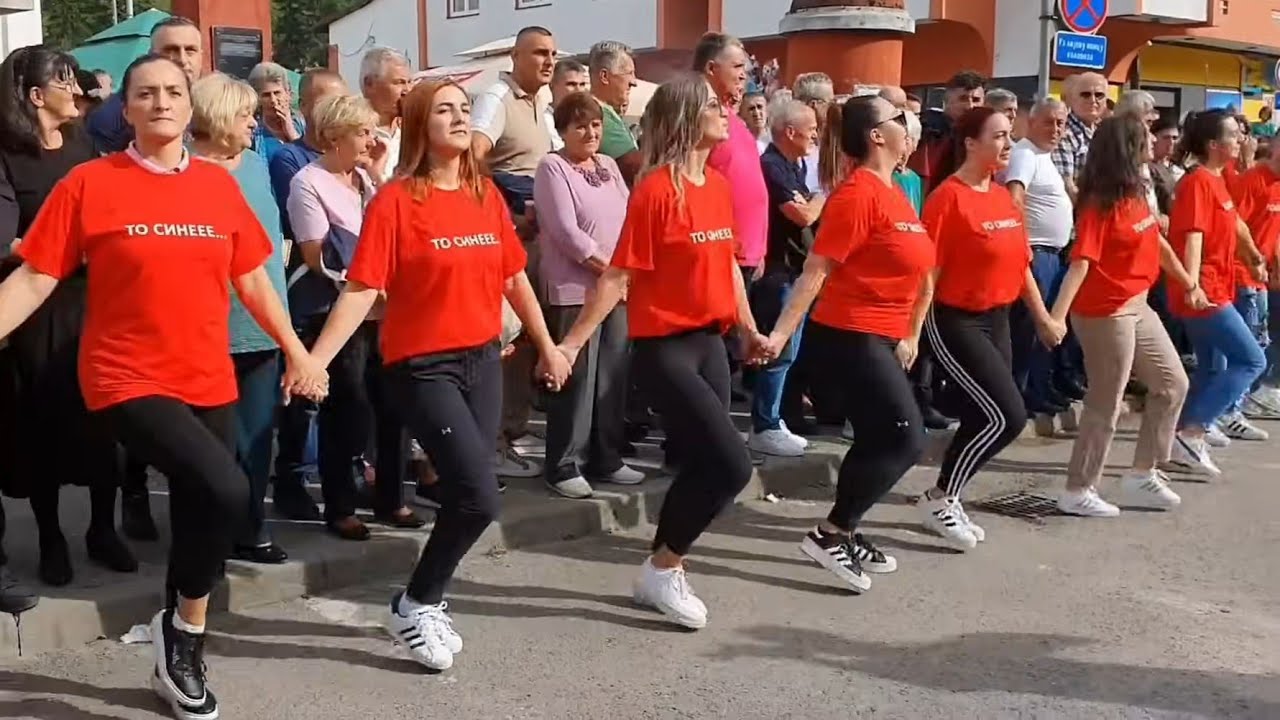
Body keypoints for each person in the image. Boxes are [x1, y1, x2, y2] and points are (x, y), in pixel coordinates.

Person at [0, 53, 326, 720]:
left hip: (206, 372)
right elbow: (35, 277)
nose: (159, 102)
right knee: (229, 488)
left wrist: (298, 349)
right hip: (123, 373)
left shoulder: (215, 186)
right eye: (144, 93)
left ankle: (183, 633)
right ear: (126, 108)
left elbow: (254, 279)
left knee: (208, 505)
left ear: (188, 104)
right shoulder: (90, 184)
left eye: (172, 91)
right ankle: (181, 631)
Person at [307, 79, 569, 670]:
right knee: (478, 496)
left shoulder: (484, 194)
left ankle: (424, 598)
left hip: (482, 359)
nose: (458, 118)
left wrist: (548, 345)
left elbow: (514, 278)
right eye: (444, 110)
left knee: (472, 495)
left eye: (462, 109)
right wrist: (314, 360)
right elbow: (362, 288)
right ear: (420, 125)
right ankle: (415, 603)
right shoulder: (396, 200)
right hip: (422, 367)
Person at [556, 74, 763, 629]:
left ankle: (664, 569)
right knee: (731, 463)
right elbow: (618, 276)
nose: (725, 112)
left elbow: (727, 268)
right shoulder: (654, 191)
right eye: (713, 106)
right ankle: (663, 566)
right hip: (663, 349)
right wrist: (572, 343)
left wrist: (749, 328)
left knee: (705, 466)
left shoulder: (716, 187)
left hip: (710, 343)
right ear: (685, 118)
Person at [764, 95, 933, 591]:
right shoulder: (856, 194)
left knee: (880, 436)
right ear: (877, 135)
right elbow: (816, 270)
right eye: (899, 118)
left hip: (883, 335)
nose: (909, 125)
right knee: (906, 437)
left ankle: (845, 527)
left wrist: (910, 332)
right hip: (849, 334)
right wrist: (780, 334)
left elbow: (920, 270)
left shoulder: (894, 191)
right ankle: (830, 532)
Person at [0, 46, 131, 604]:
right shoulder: (7, 156)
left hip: (95, 303)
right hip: (38, 309)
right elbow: (4, 241)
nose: (76, 91)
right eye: (65, 82)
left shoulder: (82, 147)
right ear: (35, 96)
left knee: (105, 423)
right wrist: (56, 250)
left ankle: (104, 528)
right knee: (44, 424)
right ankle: (52, 537)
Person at [919, 106, 1065, 550]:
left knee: (990, 414)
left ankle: (948, 493)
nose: (1007, 145)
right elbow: (928, 273)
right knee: (1008, 414)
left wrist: (1042, 317)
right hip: (955, 319)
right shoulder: (948, 197)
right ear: (970, 143)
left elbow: (1020, 264)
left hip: (998, 317)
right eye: (999, 136)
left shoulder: (1002, 196)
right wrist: (911, 332)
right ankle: (939, 496)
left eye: (1009, 136)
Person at [1049, 116, 1204, 517]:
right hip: (1104, 312)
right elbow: (1080, 263)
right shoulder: (1100, 202)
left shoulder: (1139, 191)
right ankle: (1078, 489)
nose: (1153, 141)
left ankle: (1141, 474)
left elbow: (1159, 242)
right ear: (1127, 147)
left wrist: (1189, 282)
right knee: (1106, 400)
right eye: (1144, 137)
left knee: (1172, 385)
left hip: (1137, 303)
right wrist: (1056, 318)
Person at [288, 93, 423, 540]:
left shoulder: (366, 180)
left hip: (384, 311)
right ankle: (341, 504)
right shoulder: (308, 182)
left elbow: (396, 224)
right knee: (347, 411)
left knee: (392, 408)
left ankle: (391, 496)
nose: (372, 139)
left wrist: (380, 173)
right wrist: (369, 275)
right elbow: (316, 254)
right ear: (333, 136)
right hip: (337, 310)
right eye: (362, 132)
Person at [189, 72, 293, 563]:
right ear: (218, 118)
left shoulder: (256, 163)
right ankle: (206, 535)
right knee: (212, 447)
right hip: (206, 331)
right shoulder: (184, 171)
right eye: (245, 114)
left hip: (263, 329)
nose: (254, 122)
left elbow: (268, 254)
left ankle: (250, 530)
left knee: (256, 440)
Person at [533, 92, 642, 498]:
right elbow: (566, 232)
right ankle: (563, 464)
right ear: (563, 131)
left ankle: (606, 456)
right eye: (580, 125)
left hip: (617, 288)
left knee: (612, 375)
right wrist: (610, 270)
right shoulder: (553, 167)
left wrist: (626, 273)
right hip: (574, 288)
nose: (590, 132)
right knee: (576, 379)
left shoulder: (610, 166)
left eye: (595, 124)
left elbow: (630, 218)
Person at [471, 26, 560, 479]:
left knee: (529, 338)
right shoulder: (495, 99)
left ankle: (513, 429)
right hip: (513, 236)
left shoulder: (543, 103)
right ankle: (498, 440)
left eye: (553, 54)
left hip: (538, 235)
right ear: (515, 55)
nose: (548, 61)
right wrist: (504, 213)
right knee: (510, 338)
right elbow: (475, 155)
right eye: (539, 53)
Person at [1165, 109, 1269, 477]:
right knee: (1252, 360)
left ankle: (1181, 438)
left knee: (1212, 366)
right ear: (1214, 145)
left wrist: (1253, 255)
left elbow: (1235, 222)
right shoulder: (1196, 183)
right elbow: (1193, 237)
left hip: (1219, 284)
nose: (1241, 139)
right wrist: (1192, 284)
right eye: (1233, 135)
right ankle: (1191, 431)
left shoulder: (1218, 179)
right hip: (1204, 291)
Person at [267, 68, 347, 522]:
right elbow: (316, 233)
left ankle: (347, 475)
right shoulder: (290, 160)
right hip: (310, 292)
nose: (333, 111)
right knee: (301, 399)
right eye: (322, 102)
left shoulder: (356, 160)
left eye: (340, 101)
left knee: (347, 398)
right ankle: (291, 479)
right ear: (304, 107)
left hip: (350, 299)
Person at [750, 99, 821, 458]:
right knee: (777, 351)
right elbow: (803, 214)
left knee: (790, 352)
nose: (815, 135)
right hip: (778, 272)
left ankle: (777, 418)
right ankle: (765, 423)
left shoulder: (795, 166)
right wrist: (822, 197)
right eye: (810, 129)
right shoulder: (772, 166)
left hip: (797, 270)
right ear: (790, 132)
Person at [1004, 98, 1075, 422]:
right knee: (1031, 331)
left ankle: (1039, 390)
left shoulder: (1042, 157)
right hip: (1036, 253)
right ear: (1031, 122)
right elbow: (1014, 197)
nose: (1056, 129)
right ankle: (1024, 396)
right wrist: (1022, 245)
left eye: (1061, 123)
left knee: (1044, 330)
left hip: (1051, 254)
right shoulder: (1024, 154)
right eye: (1049, 122)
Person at [86, 15, 203, 154]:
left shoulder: (218, 104)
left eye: (190, 50)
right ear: (151, 54)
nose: (183, 59)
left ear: (201, 56)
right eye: (171, 50)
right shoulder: (111, 117)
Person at [1231, 141, 1280, 418]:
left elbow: (1273, 232)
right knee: (1249, 345)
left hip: (1260, 278)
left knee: (1260, 341)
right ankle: (1233, 408)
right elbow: (1234, 227)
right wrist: (1253, 261)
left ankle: (1245, 399)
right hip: (1242, 275)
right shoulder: (1253, 181)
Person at [910, 70, 986, 193]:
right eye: (963, 99)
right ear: (946, 101)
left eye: (976, 100)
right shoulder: (929, 132)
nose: (970, 105)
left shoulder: (985, 136)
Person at [587, 41, 642, 184]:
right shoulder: (597, 114)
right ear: (604, 76)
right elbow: (634, 166)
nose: (634, 82)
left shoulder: (604, 111)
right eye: (629, 73)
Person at [1051, 72, 1109, 205]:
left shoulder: (1104, 132)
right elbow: (1067, 189)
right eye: (1085, 94)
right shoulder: (1064, 135)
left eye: (1099, 95)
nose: (1093, 100)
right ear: (1072, 99)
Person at [360, 47, 412, 184]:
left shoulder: (413, 132)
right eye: (398, 82)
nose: (407, 90)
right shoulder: (352, 135)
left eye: (409, 82)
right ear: (369, 84)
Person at [247, 61, 305, 163]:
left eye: (277, 93)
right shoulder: (252, 133)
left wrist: (291, 131)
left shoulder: (304, 126)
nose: (273, 100)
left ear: (288, 94)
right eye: (266, 95)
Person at [794, 73, 836, 197]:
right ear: (814, 105)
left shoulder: (831, 139)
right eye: (830, 101)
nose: (833, 106)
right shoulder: (792, 143)